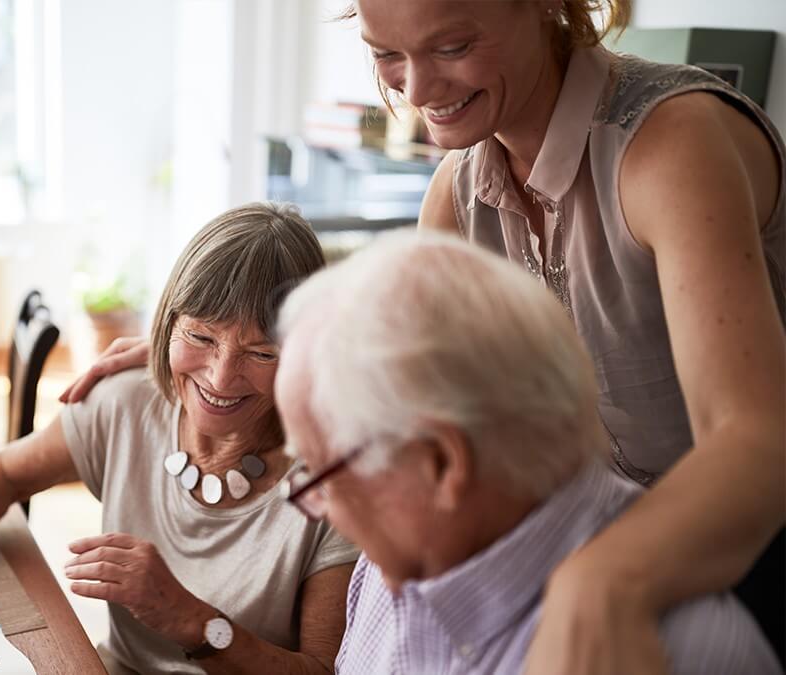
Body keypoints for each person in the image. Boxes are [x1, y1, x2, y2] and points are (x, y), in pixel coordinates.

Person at [62, 1, 786, 669]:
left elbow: (756, 441)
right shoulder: (458, 187)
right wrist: (193, 352)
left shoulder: (671, 144)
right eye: (386, 55)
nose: (416, 88)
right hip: (564, 550)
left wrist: (607, 577)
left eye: (452, 45)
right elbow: (393, 368)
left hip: (724, 552)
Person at [0, 202, 359, 674]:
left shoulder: (337, 481)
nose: (221, 379)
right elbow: (3, 471)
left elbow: (319, 670)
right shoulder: (128, 402)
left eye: (262, 353)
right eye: (200, 336)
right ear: (166, 324)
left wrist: (191, 621)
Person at [275, 229, 781, 674]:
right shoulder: (392, 568)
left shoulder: (668, 652)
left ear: (442, 464)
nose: (320, 510)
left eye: (320, 475)